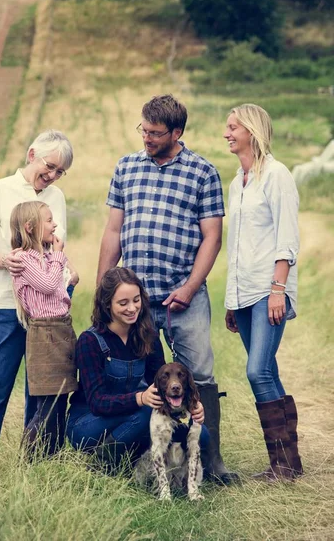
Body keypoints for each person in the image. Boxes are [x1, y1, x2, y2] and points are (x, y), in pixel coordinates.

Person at [96, 94, 238, 485]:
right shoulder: (126, 167)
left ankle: (211, 460)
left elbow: (212, 238)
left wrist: (191, 288)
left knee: (200, 377)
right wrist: (102, 291)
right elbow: (113, 232)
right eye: (143, 129)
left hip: (184, 300)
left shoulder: (202, 172)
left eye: (155, 133)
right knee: (140, 381)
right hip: (134, 304)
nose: (147, 138)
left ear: (177, 132)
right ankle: (147, 459)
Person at [0, 130, 78, 474]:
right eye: (50, 166)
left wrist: (68, 279)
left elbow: (56, 248)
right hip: (7, 306)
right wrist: (4, 260)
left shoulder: (57, 197)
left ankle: (39, 465)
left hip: (49, 312)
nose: (52, 176)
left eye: (60, 172)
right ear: (31, 154)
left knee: (44, 389)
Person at [224, 103, 303, 481]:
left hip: (268, 289)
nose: (226, 133)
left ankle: (283, 465)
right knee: (266, 370)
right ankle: (288, 463)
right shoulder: (235, 182)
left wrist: (278, 289)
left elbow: (287, 238)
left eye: (232, 127)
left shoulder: (277, 175)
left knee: (257, 371)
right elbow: (237, 243)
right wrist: (229, 299)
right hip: (242, 291)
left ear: (251, 131)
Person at [66, 267, 208, 469]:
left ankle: (132, 459)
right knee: (145, 415)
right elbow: (97, 402)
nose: (132, 308)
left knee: (202, 435)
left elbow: (162, 385)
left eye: (136, 300)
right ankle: (101, 463)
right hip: (89, 423)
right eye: (123, 303)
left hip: (134, 417)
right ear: (107, 305)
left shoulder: (148, 336)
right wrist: (139, 398)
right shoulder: (90, 341)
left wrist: (191, 405)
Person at [10, 201, 77, 457]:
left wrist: (68, 275)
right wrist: (60, 258)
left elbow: (60, 290)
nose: (55, 224)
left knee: (60, 400)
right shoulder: (23, 259)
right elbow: (49, 285)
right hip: (45, 334)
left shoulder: (47, 257)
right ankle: (29, 457)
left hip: (61, 330)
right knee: (48, 402)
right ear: (30, 227)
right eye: (49, 220)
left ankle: (52, 456)